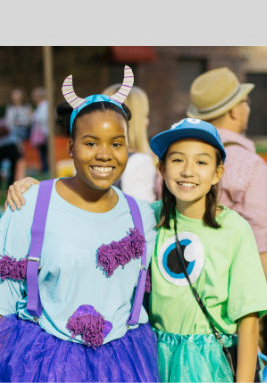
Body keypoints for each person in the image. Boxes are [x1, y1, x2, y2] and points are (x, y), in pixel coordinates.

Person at [0, 68, 160, 381]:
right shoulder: (29, 205)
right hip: (42, 364)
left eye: (116, 144)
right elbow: (3, 296)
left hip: (126, 365)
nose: (105, 154)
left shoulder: (143, 215)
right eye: (91, 143)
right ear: (71, 146)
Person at [146, 119, 267, 382]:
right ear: (162, 169)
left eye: (201, 162)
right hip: (154, 359)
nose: (188, 171)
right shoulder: (146, 219)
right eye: (177, 160)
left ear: (217, 173)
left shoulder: (235, 229)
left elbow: (248, 320)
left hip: (209, 366)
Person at [186, 67, 267, 354]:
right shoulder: (249, 166)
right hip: (234, 303)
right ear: (234, 111)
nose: (248, 108)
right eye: (246, 102)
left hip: (182, 292)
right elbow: (264, 242)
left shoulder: (176, 161)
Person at [102, 84, 157, 202]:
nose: (147, 121)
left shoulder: (86, 156)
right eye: (145, 115)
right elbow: (140, 209)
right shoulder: (139, 162)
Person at [0, 89, 27, 184]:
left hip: (20, 137)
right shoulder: (10, 109)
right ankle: (5, 174)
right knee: (10, 159)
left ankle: (18, 177)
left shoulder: (25, 108)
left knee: (19, 159)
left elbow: (27, 121)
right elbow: (8, 124)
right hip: (11, 139)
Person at [29, 87, 48, 176]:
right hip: (41, 132)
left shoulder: (44, 105)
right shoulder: (41, 106)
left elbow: (42, 118)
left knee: (44, 152)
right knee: (42, 152)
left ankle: (45, 169)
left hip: (43, 132)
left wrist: (32, 116)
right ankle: (44, 168)